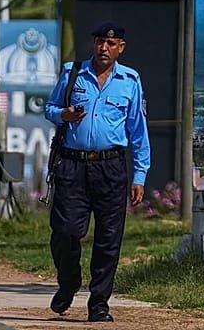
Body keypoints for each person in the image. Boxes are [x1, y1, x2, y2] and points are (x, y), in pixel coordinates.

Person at [43, 20, 150, 322]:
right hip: (73, 164)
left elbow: (138, 132)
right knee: (65, 231)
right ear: (93, 43)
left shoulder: (130, 80)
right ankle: (68, 282)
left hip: (111, 167)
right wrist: (64, 115)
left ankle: (99, 303)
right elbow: (50, 108)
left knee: (108, 239)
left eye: (111, 44)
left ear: (121, 48)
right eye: (100, 41)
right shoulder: (73, 72)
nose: (104, 48)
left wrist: (140, 175)